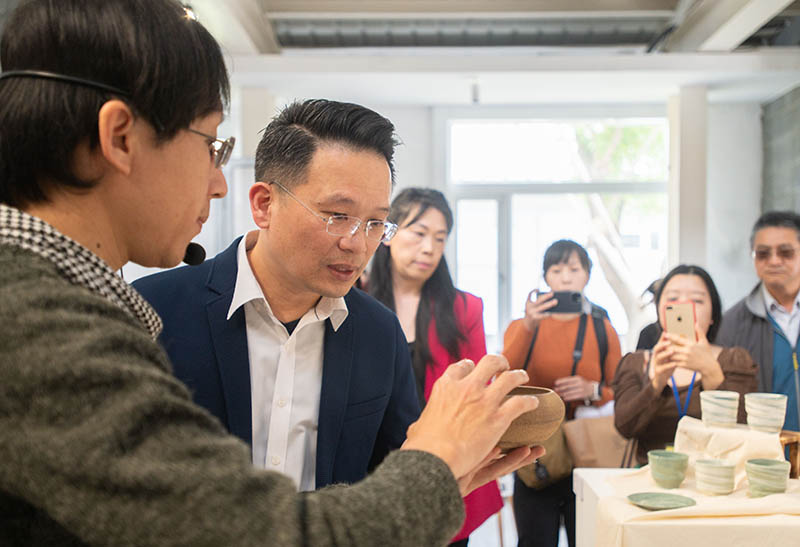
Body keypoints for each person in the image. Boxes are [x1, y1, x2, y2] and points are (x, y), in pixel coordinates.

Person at [0, 1, 544, 545]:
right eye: (211, 145)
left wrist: (437, 474)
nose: (218, 183)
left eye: (376, 223)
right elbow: (250, 532)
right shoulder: (38, 320)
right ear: (120, 137)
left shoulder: (375, 331)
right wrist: (436, 464)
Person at [134, 100, 420, 492]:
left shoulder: (379, 333)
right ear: (264, 204)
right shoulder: (152, 312)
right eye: (338, 216)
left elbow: (393, 477)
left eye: (374, 223)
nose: (357, 244)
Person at [369, 187, 502, 546]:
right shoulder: (356, 300)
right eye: (419, 233)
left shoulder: (464, 309)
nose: (429, 248)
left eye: (440, 238)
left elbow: (479, 389)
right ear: (388, 233)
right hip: (373, 471)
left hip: (446, 469)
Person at [502, 239, 621, 547]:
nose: (566, 277)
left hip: (587, 449)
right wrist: (528, 325)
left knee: (588, 540)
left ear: (587, 275)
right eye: (556, 269)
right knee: (534, 540)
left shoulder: (601, 328)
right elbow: (503, 377)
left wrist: (592, 390)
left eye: (574, 268)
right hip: (533, 448)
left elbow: (618, 390)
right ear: (546, 278)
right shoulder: (523, 326)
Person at [613, 265, 758, 465]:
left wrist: (711, 372)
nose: (684, 306)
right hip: (650, 478)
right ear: (659, 310)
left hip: (717, 479)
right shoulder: (636, 363)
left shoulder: (734, 360)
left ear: (713, 314)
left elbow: (745, 428)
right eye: (672, 299)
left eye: (697, 300)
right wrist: (656, 384)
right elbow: (625, 428)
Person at [716, 211, 800, 434]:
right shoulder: (733, 323)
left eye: (786, 252)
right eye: (763, 253)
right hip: (765, 455)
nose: (774, 260)